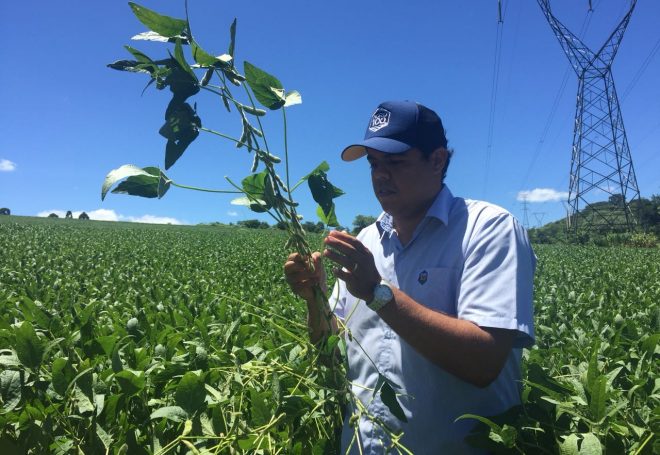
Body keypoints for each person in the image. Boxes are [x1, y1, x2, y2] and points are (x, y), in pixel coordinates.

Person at [284, 100, 535, 453]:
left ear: (438, 160)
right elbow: (331, 356)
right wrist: (315, 300)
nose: (380, 175)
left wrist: (377, 292)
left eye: (396, 162)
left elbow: (484, 363)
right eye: (374, 164)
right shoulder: (366, 242)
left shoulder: (488, 229)